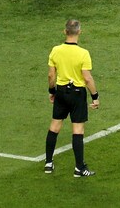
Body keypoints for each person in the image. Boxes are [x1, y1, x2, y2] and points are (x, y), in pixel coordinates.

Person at [43, 19, 100, 177]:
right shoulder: (83, 53)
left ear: (65, 31)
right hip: (77, 94)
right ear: (79, 32)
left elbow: (51, 75)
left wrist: (52, 90)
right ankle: (79, 168)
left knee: (54, 126)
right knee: (78, 130)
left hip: (61, 92)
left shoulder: (55, 50)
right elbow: (87, 78)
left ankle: (48, 163)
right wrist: (95, 96)